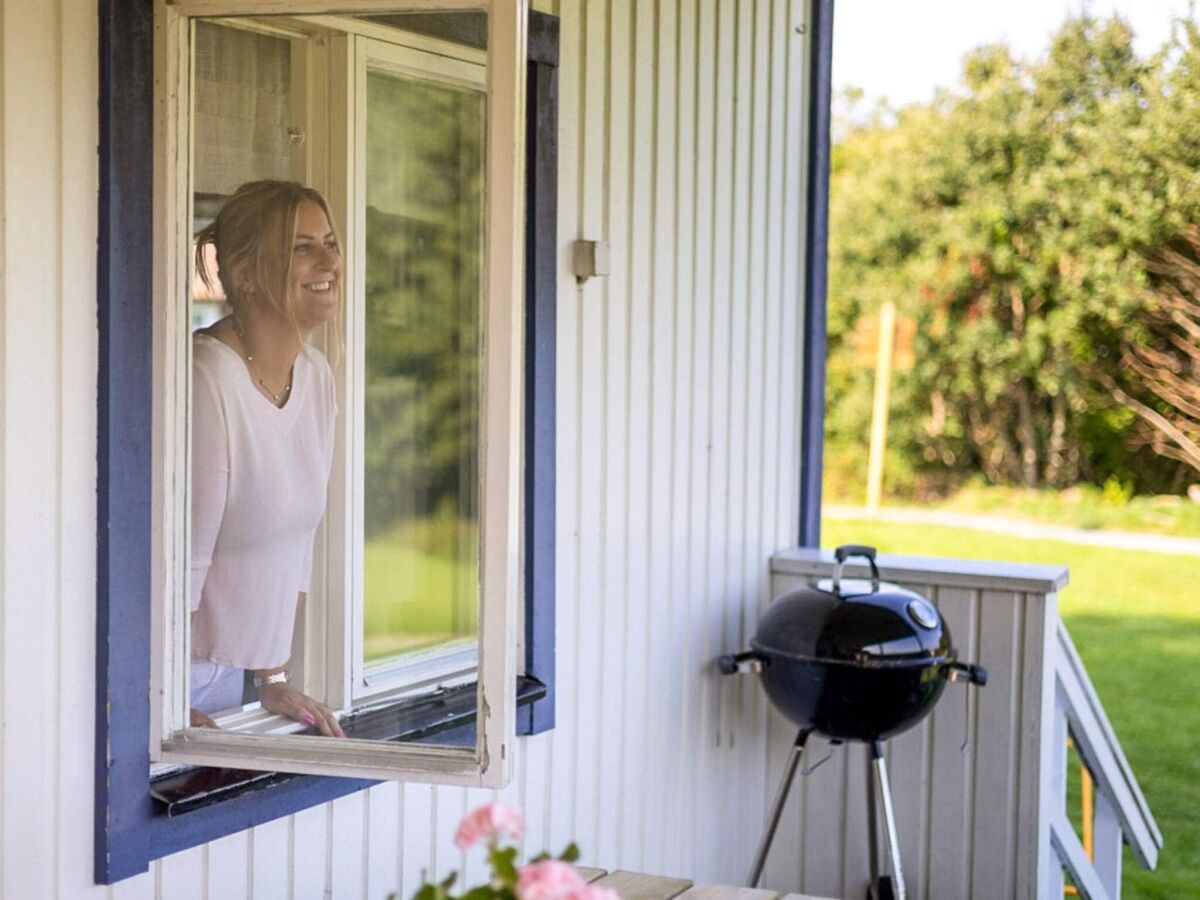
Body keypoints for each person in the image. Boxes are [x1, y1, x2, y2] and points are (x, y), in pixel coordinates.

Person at [189, 180, 346, 738]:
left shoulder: (317, 378)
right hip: (170, 672)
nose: (330, 260)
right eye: (303, 247)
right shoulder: (207, 378)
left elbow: (295, 546)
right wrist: (159, 700)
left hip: (234, 679)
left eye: (329, 242)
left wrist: (273, 674)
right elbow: (180, 563)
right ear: (246, 273)